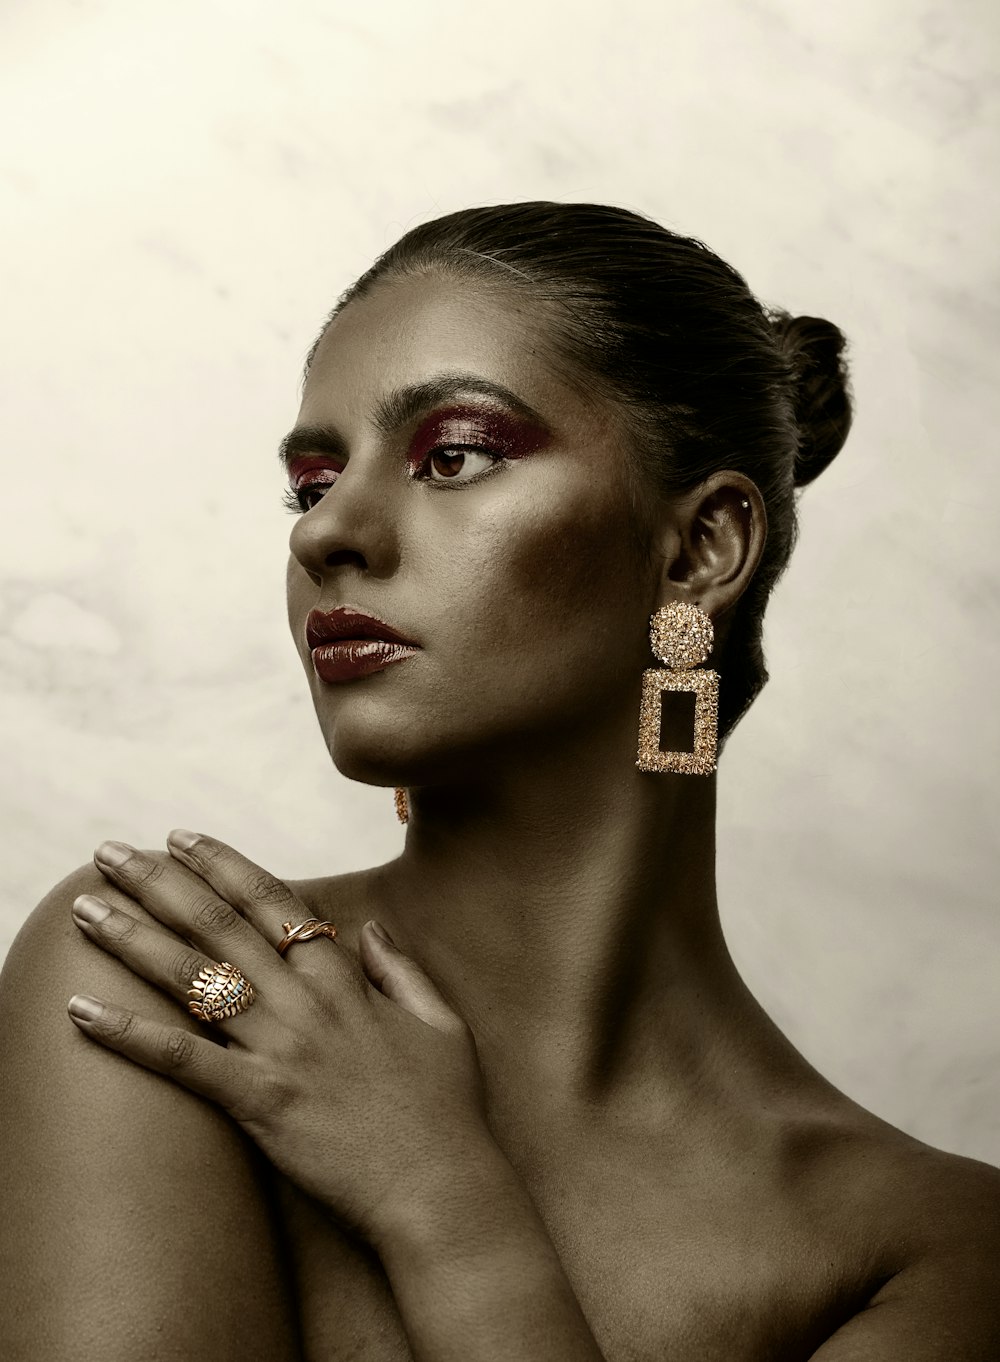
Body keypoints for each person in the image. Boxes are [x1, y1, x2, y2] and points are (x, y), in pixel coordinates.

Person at [1, 201, 997, 1362]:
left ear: (697, 550)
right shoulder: (176, 976)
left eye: (453, 456)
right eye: (312, 482)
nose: (324, 535)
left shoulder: (932, 1249)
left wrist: (447, 1210)